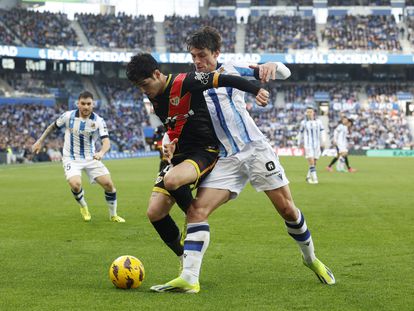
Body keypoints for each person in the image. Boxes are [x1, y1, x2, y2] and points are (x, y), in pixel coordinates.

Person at [149, 26, 335, 294]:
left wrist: (272, 64)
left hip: (255, 150)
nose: (198, 62)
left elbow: (281, 72)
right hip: (224, 159)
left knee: (287, 210)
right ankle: (190, 278)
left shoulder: (234, 69)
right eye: (193, 57)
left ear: (217, 53)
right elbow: (176, 122)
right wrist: (168, 143)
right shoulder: (189, 83)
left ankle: (311, 259)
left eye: (203, 56)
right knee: (196, 211)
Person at [126, 53, 269, 260]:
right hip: (179, 157)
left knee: (173, 180)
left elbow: (224, 79)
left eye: (144, 84)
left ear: (157, 74)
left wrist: (257, 90)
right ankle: (185, 258)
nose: (143, 90)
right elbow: (173, 125)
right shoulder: (152, 94)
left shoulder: (186, 81)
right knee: (154, 212)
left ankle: (195, 219)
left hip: (204, 151)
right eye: (138, 86)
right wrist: (169, 144)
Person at [32, 91, 125, 223]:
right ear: (78, 104)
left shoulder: (98, 121)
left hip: (91, 157)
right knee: (75, 185)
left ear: (93, 105)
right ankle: (84, 207)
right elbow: (52, 127)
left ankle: (113, 215)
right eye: (83, 103)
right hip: (71, 157)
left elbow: (106, 142)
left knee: (109, 185)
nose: (86, 107)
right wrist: (39, 141)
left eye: (89, 104)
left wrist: (101, 153)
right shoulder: (68, 116)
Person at [298, 106, 325, 184]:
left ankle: (308, 177)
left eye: (310, 112)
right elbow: (300, 133)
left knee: (314, 163)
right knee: (312, 162)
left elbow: (322, 131)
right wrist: (299, 143)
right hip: (308, 145)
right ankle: (315, 179)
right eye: (307, 112)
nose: (309, 113)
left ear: (313, 113)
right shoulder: (303, 123)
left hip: (317, 145)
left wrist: (323, 141)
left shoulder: (319, 122)